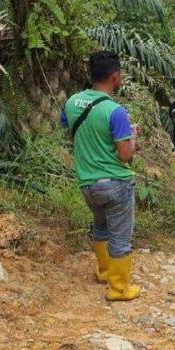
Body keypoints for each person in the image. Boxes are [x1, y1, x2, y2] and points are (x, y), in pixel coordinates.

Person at [61, 51, 140, 301]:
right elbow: (125, 154)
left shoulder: (72, 102)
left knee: (101, 227)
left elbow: (68, 127)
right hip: (115, 183)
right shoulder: (115, 111)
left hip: (88, 184)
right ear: (115, 77)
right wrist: (133, 135)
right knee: (121, 235)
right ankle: (118, 289)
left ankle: (104, 271)